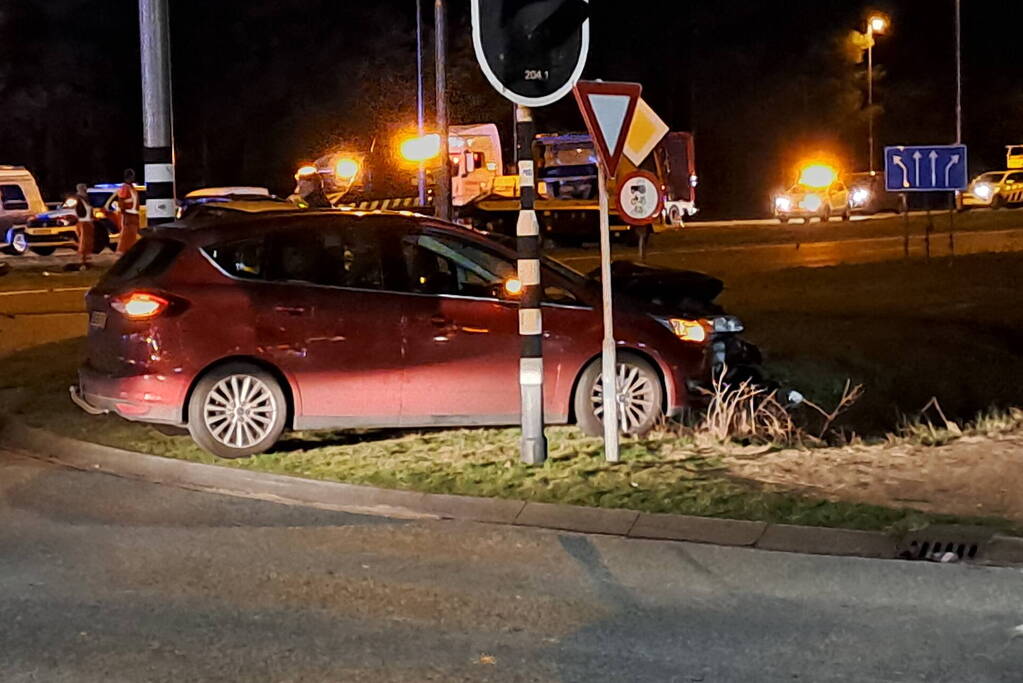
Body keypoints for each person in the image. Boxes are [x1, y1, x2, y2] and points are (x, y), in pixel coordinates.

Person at [116, 169, 141, 254]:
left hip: (134, 214)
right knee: (126, 234)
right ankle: (122, 251)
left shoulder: (132, 188)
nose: (132, 178)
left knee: (132, 234)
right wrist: (124, 212)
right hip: (128, 214)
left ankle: (130, 250)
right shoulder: (124, 188)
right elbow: (121, 202)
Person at [73, 184, 94, 269]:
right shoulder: (79, 200)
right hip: (83, 222)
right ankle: (83, 261)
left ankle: (86, 260)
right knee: (84, 242)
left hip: (87, 222)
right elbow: (79, 212)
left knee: (88, 242)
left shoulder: (86, 199)